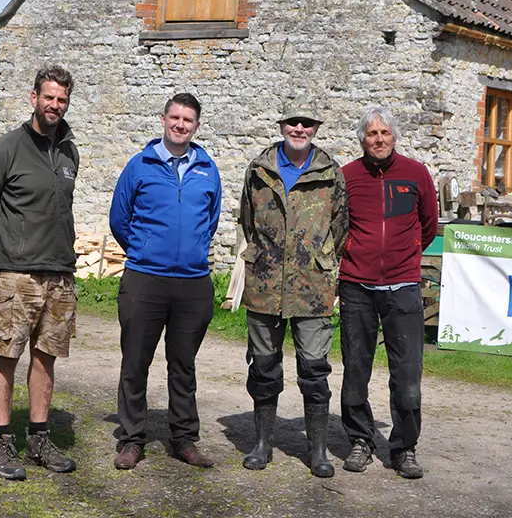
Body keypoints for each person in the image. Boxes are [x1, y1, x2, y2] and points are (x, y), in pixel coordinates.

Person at [108, 93, 222, 470]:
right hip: (145, 279)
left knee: (184, 364)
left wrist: (188, 252)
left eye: (188, 120)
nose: (180, 125)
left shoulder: (208, 168)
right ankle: (131, 438)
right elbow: (119, 220)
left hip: (192, 283)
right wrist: (144, 250)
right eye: (175, 117)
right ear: (163, 119)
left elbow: (211, 220)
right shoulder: (139, 165)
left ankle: (183, 439)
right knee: (135, 361)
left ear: (197, 126)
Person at [0, 65, 79, 480]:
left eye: (62, 99)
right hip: (16, 275)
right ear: (34, 97)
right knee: (6, 356)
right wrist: (14, 244)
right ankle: (1, 443)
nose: (54, 105)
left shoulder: (70, 150)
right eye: (49, 97)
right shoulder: (7, 148)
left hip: (60, 275)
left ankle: (38, 437)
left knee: (46, 357)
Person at [238, 100, 348, 478]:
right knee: (264, 368)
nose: (299, 129)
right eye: (293, 122)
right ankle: (262, 443)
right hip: (265, 284)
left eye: (307, 123)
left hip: (312, 287)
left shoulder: (330, 172)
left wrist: (321, 263)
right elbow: (247, 221)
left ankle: (317, 450)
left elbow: (340, 228)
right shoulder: (259, 169)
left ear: (316, 127)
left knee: (315, 371)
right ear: (282, 124)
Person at [338, 106, 438, 479]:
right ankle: (360, 440)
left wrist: (405, 252)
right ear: (362, 139)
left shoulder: (415, 174)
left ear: (394, 138)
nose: (378, 139)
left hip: (403, 286)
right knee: (356, 367)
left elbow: (428, 224)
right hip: (357, 285)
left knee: (408, 372)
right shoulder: (347, 176)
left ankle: (404, 448)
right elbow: (339, 224)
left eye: (384, 133)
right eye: (371, 134)